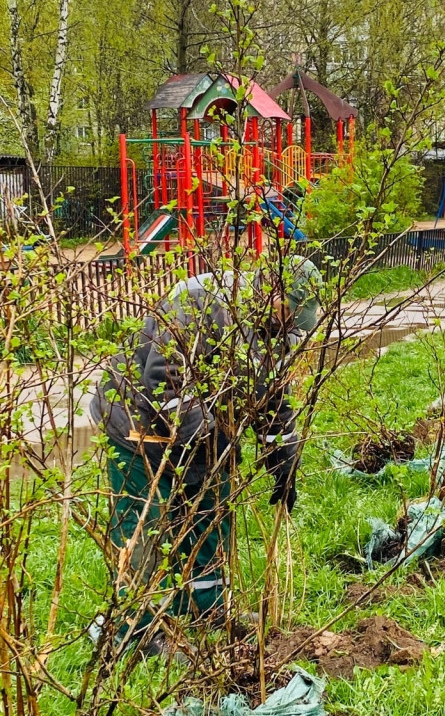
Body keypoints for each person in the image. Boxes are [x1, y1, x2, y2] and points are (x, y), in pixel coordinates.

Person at [89, 255, 321, 656]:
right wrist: (207, 436)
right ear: (270, 293)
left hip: (206, 428)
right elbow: (164, 380)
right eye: (287, 317)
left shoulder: (275, 330)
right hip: (138, 426)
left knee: (212, 513)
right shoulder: (198, 301)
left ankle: (205, 607)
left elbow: (271, 394)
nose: (287, 330)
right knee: (144, 526)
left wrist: (283, 451)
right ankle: (134, 631)